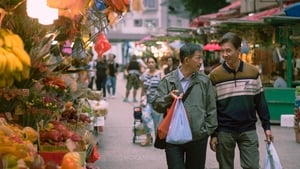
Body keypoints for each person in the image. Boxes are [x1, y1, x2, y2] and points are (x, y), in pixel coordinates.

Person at [208, 32, 273, 169]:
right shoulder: (214, 75)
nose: (225, 55)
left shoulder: (253, 72)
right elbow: (211, 108)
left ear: (239, 50)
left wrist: (267, 127)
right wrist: (213, 134)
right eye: (222, 51)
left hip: (248, 129)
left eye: (228, 50)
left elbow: (260, 102)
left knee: (252, 166)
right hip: (224, 131)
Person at [152, 43, 218, 169]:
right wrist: (168, 98)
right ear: (187, 60)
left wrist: (205, 131)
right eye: (198, 58)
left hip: (197, 138)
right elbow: (156, 105)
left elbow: (212, 109)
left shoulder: (204, 81)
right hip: (173, 137)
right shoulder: (168, 80)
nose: (201, 61)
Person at [139, 56, 163, 146]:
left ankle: (157, 139)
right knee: (145, 118)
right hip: (147, 101)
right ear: (147, 64)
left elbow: (164, 87)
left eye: (153, 62)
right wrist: (140, 100)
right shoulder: (144, 74)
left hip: (158, 102)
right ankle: (148, 137)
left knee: (158, 122)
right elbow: (142, 88)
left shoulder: (160, 73)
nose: (151, 64)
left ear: (155, 63)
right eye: (149, 62)